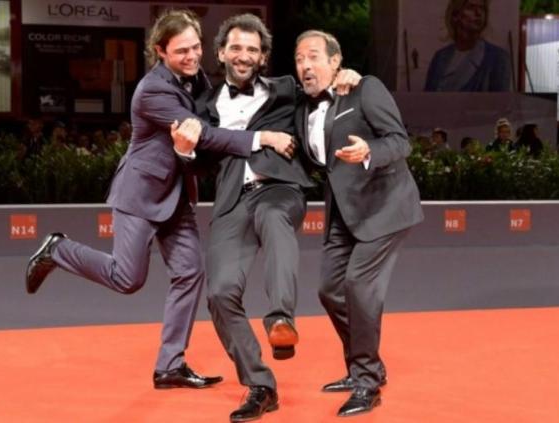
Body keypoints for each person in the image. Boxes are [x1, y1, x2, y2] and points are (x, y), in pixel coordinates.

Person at [25, 9, 293, 391]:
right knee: (127, 279)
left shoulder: (196, 77)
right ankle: (58, 250)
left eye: (196, 47)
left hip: (177, 195)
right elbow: (203, 134)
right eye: (181, 51)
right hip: (141, 193)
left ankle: (170, 365)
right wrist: (261, 139)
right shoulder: (153, 91)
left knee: (190, 272)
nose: (192, 56)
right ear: (160, 51)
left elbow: (211, 118)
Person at [191, 14, 359, 422]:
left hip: (280, 189)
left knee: (272, 216)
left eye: (252, 49)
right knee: (220, 293)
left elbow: (320, 89)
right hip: (231, 200)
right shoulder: (204, 105)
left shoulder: (285, 89)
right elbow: (198, 159)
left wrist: (348, 76)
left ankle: (281, 317)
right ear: (220, 53)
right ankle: (260, 386)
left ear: (263, 57)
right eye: (236, 47)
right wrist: (184, 148)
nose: (243, 55)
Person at [294, 30, 424, 417]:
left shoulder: (364, 89)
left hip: (385, 206)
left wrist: (370, 151)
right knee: (329, 290)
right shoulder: (301, 107)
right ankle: (364, 365)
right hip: (343, 211)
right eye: (299, 58)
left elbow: (400, 141)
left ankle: (367, 380)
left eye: (313, 56)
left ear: (336, 61)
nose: (305, 65)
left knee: (358, 285)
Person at [425, 0, 511, 92]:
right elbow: (428, 97)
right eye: (471, 7)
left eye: (482, 8)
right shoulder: (440, 57)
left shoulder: (497, 58)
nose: (478, 13)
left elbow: (499, 100)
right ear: (455, 15)